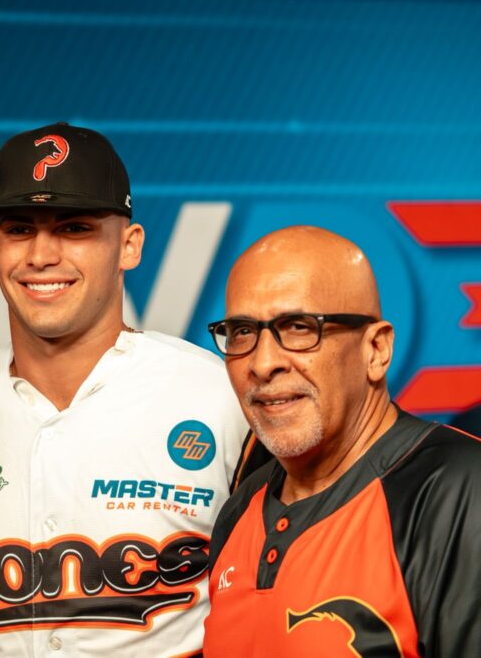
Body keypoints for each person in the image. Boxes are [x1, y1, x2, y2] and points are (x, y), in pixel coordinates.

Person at [0, 123, 248, 656]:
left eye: (74, 228)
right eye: (19, 229)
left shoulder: (221, 398)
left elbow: (269, 608)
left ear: (129, 245)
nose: (41, 255)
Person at [203, 226, 481, 656]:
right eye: (241, 332)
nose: (262, 362)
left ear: (376, 350)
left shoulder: (460, 490)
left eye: (299, 327)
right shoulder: (239, 510)